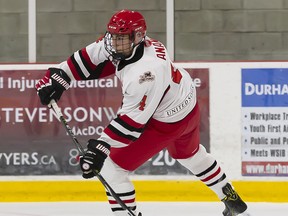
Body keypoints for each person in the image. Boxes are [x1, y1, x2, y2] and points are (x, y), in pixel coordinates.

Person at [35, 9, 250, 216]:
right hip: (186, 106)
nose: (113, 43)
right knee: (190, 156)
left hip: (166, 120)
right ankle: (231, 199)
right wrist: (58, 77)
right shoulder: (127, 44)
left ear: (138, 36)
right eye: (112, 36)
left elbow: (130, 126)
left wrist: (99, 149)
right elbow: (86, 59)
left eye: (121, 38)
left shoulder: (145, 73)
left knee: (110, 168)